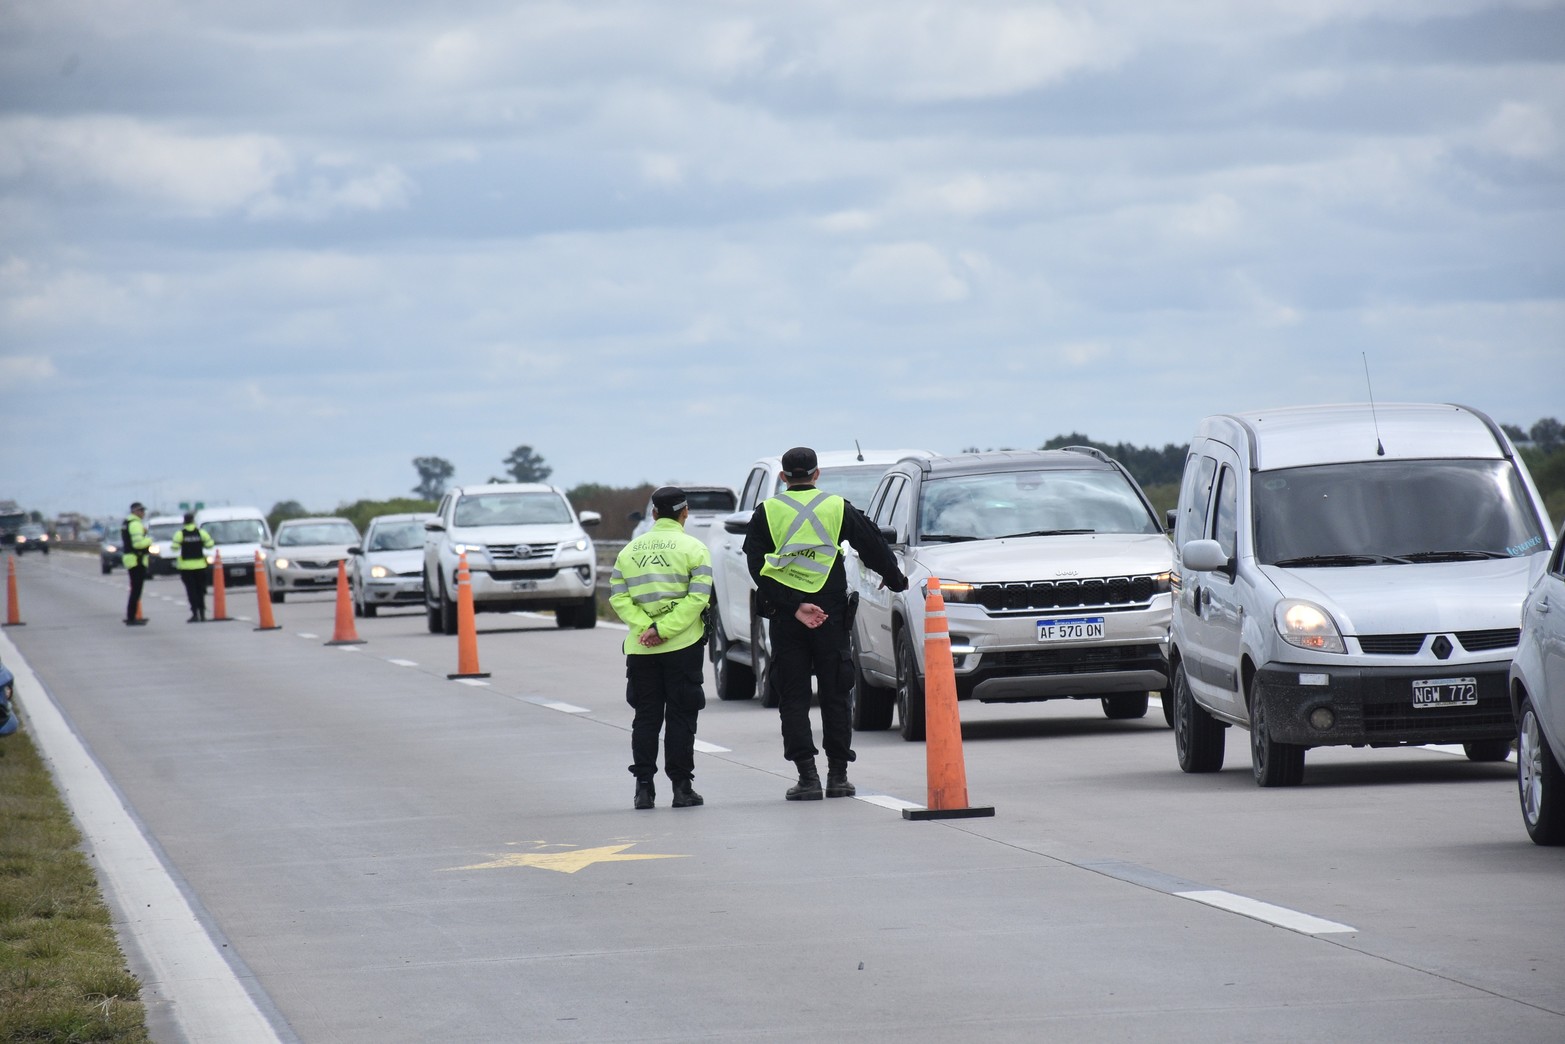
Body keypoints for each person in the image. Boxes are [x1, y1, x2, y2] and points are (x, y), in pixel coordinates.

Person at [745, 446, 909, 800]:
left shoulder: (767, 513)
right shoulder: (836, 506)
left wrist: (794, 607)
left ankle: (807, 778)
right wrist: (895, 579)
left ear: (784, 477)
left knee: (793, 696)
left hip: (789, 618)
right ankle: (838, 776)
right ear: (817, 474)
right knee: (836, 692)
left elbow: (757, 569)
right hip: (831, 613)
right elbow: (873, 544)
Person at [608, 486, 714, 811]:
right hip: (683, 647)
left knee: (646, 717)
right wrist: (665, 630)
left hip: (642, 650)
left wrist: (646, 629)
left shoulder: (629, 552)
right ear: (685, 513)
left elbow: (617, 596)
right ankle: (682, 789)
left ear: (653, 513)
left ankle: (643, 789)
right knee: (681, 717)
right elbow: (699, 598)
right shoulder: (695, 549)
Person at [172, 511, 216, 622]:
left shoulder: (180, 534)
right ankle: (202, 614)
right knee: (200, 590)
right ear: (193, 521)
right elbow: (210, 544)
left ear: (184, 521)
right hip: (200, 566)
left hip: (186, 568)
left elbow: (174, 548)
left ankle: (194, 614)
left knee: (191, 591)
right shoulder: (201, 533)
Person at [121, 502, 152, 625]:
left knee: (135, 589)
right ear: (135, 511)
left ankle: (132, 616)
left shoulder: (127, 523)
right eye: (141, 511)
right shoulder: (135, 524)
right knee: (136, 590)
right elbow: (138, 544)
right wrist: (150, 540)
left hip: (132, 558)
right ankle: (131, 617)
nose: (143, 513)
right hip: (136, 560)